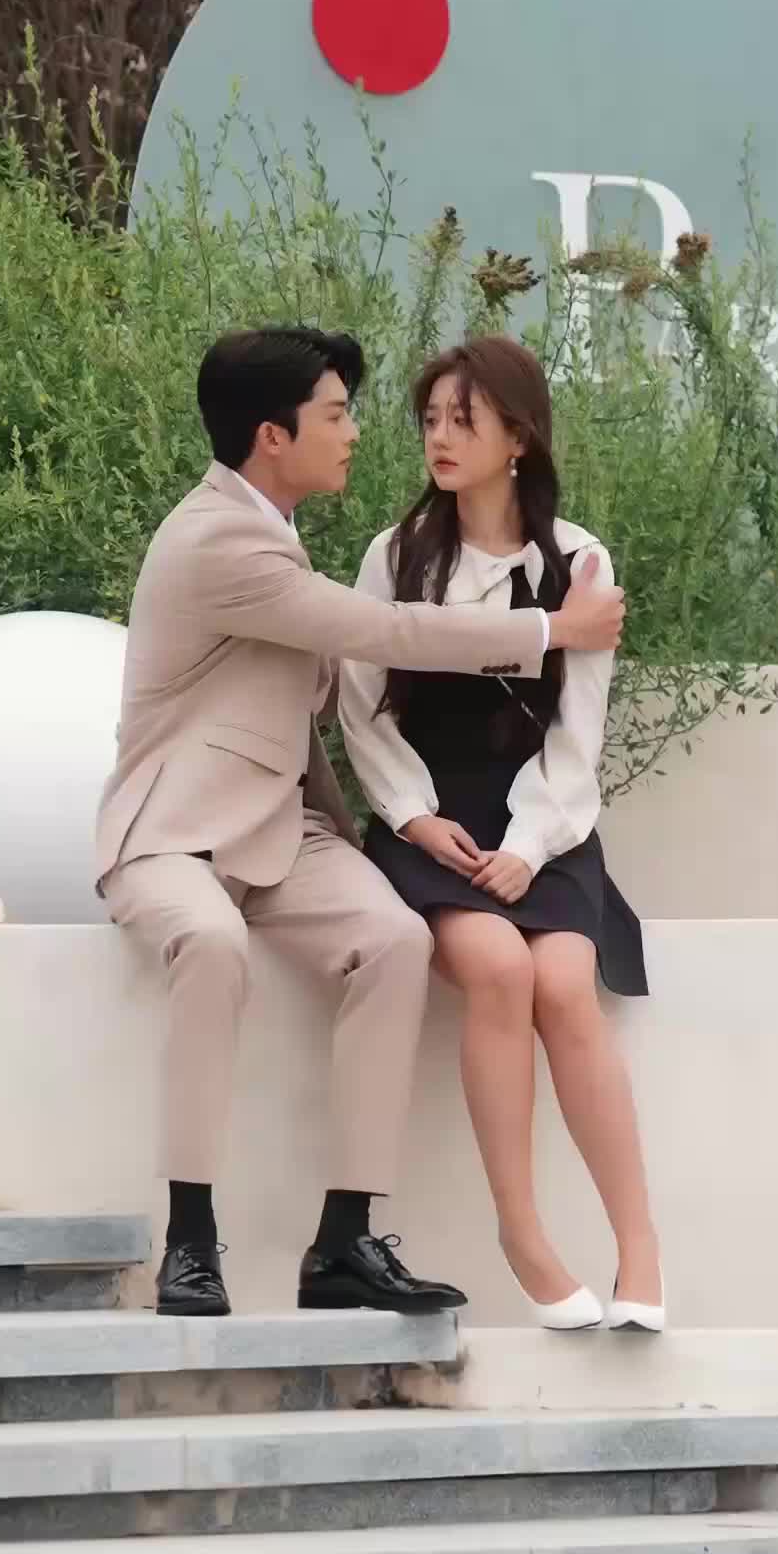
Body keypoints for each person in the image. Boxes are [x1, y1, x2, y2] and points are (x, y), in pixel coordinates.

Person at [96, 326, 626, 1319]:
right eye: (337, 416)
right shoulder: (219, 539)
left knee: (393, 940)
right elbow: (383, 634)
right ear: (273, 435)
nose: (356, 434)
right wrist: (553, 629)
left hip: (281, 830)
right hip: (174, 833)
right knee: (211, 942)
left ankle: (344, 1241)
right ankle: (190, 1239)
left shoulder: (277, 528)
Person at [339, 335, 663, 1333]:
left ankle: (642, 1249)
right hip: (429, 817)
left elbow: (579, 731)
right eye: (430, 419)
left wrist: (527, 846)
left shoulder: (578, 560)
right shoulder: (396, 555)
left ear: (518, 438)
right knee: (497, 967)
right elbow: (361, 706)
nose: (439, 437)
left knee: (565, 984)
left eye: (463, 420)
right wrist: (413, 816)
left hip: (544, 822)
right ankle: (522, 1235)